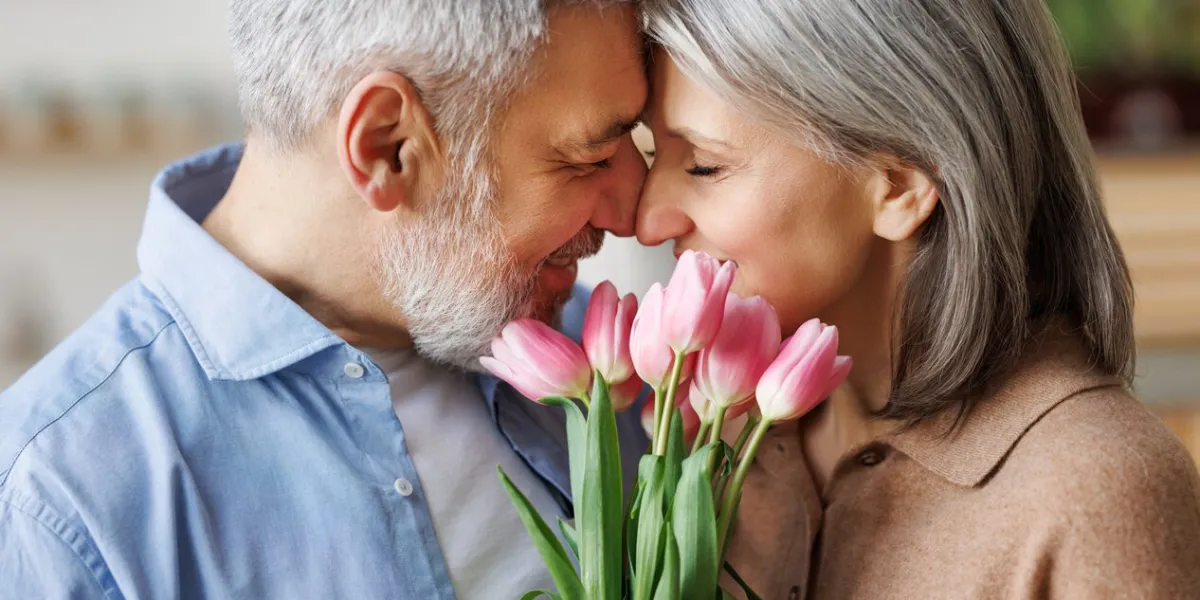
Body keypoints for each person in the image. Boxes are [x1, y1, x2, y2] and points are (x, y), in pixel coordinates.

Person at [0, 1, 651, 598]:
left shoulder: (624, 365)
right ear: (387, 146)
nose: (634, 212)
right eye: (590, 158)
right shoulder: (56, 502)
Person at [634, 0, 1200, 597]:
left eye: (703, 166)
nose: (647, 221)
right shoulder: (708, 435)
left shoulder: (1099, 493)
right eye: (653, 155)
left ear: (900, 184)